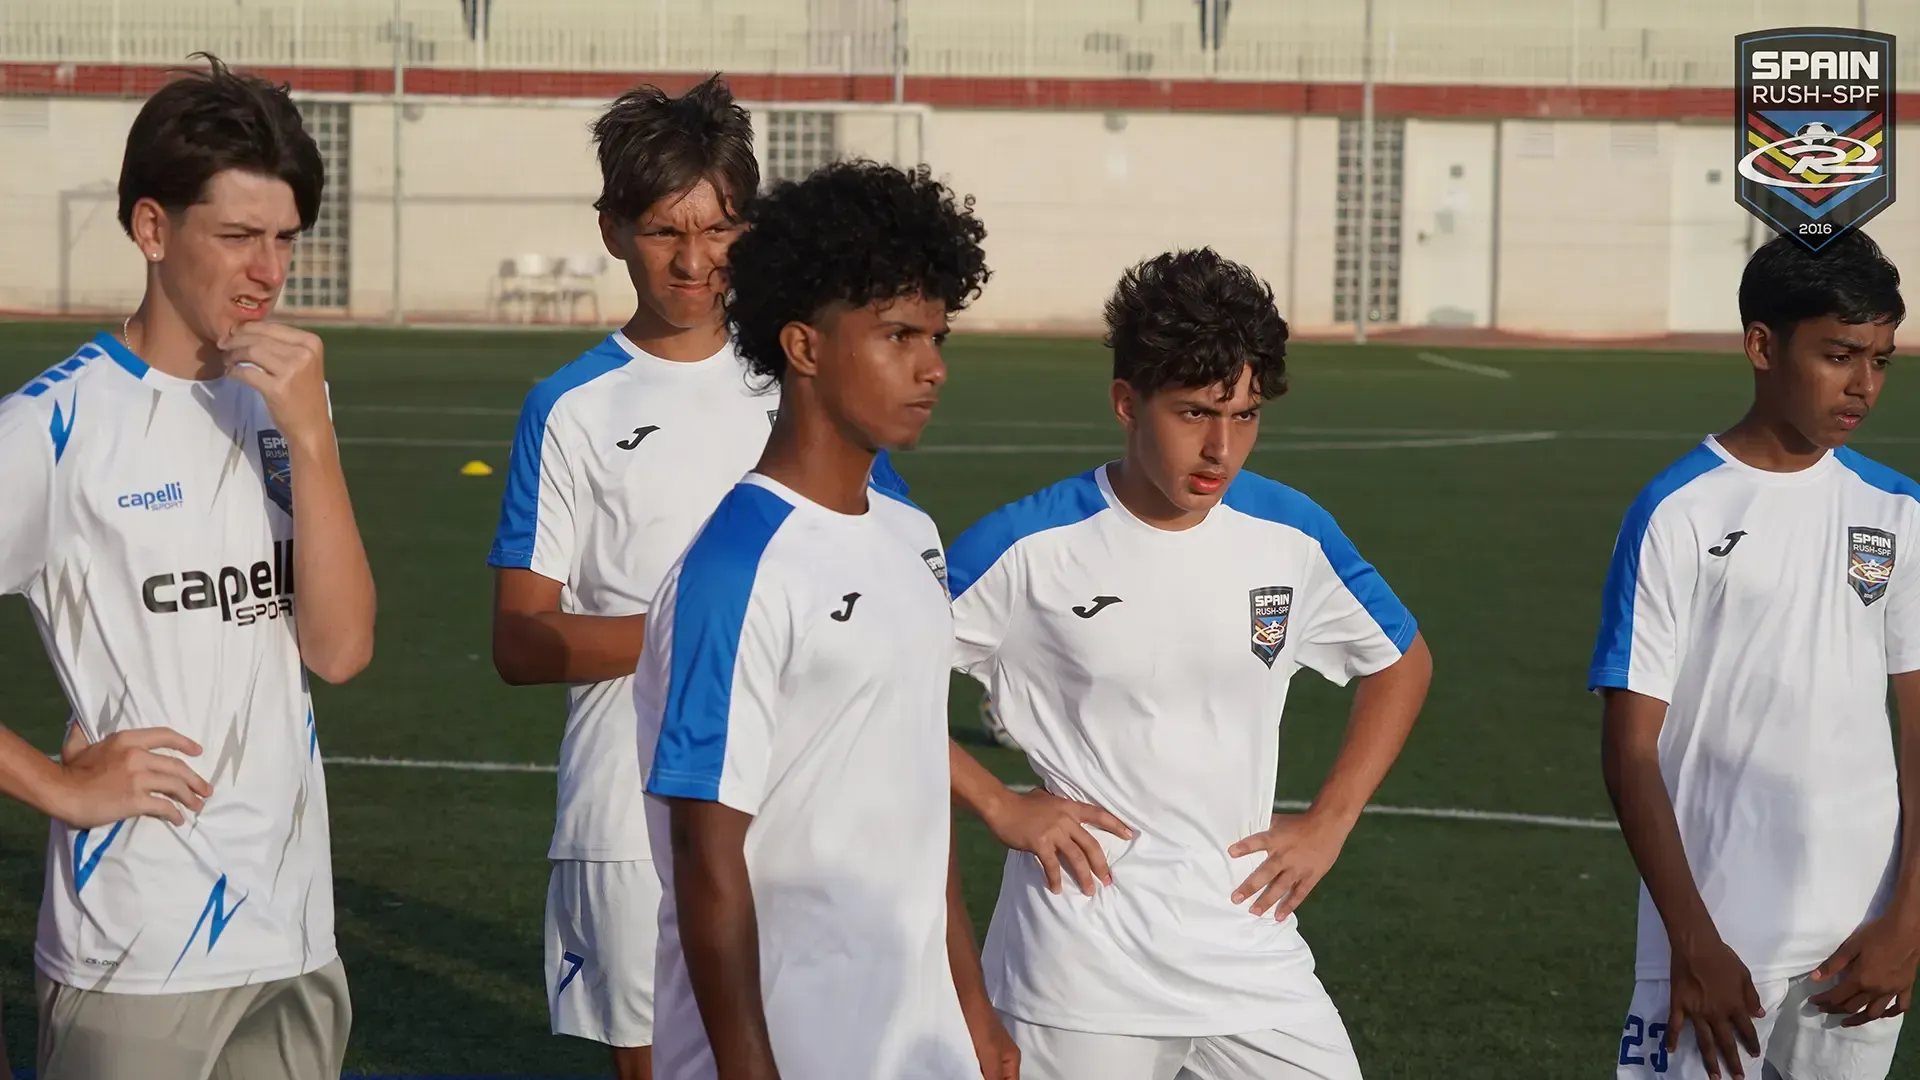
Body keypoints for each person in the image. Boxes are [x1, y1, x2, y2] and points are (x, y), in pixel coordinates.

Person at [945, 248, 1432, 1080]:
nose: (1221, 448)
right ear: (1126, 403)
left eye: (1244, 416)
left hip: (1249, 947)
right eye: (1196, 413)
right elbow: (869, 681)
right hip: (1079, 970)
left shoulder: (1293, 533)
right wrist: (997, 803)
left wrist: (1330, 822)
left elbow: (1402, 661)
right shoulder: (1025, 549)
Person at [0, 55, 375, 1079]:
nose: (268, 271)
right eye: (239, 237)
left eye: (286, 241)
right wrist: (55, 787)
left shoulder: (289, 399)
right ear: (154, 230)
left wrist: (312, 439)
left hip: (296, 936)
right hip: (135, 950)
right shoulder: (51, 428)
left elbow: (340, 652)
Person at [633, 160, 1016, 1080]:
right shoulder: (734, 568)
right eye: (896, 335)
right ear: (803, 347)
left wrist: (974, 1016)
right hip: (790, 1046)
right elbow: (705, 850)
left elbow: (917, 798)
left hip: (915, 1041)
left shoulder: (912, 534)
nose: (932, 368)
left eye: (936, 335)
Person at [486, 74, 765, 1080]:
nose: (694, 261)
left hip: (794, 802)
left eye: (720, 229)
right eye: (662, 232)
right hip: (625, 812)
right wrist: (702, 633)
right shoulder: (568, 407)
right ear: (611, 231)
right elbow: (521, 639)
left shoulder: (804, 381)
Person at [1592, 231, 1914, 1080]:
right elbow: (1629, 750)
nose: (1864, 385)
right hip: (1716, 932)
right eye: (1839, 354)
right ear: (1762, 346)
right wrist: (1693, 941)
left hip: (1860, 940)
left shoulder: (1897, 512)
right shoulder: (1678, 512)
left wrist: (1906, 923)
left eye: (1881, 359)